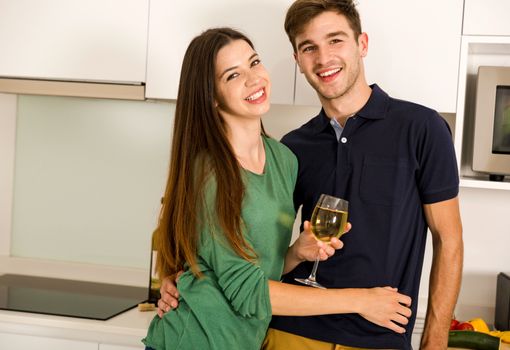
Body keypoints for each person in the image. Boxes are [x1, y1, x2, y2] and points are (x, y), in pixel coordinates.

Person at [142, 27, 412, 350]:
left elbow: (256, 268)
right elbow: (250, 293)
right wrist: (361, 301)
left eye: (254, 63)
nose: (253, 79)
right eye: (232, 76)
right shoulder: (210, 175)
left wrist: (297, 252)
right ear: (211, 97)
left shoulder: (284, 160)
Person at [263, 1, 464, 349]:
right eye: (308, 47)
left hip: (379, 337)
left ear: (362, 44)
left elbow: (449, 241)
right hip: (291, 333)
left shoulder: (422, 128)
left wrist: (435, 339)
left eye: (335, 40)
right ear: (298, 61)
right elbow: (264, 256)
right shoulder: (293, 146)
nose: (323, 58)